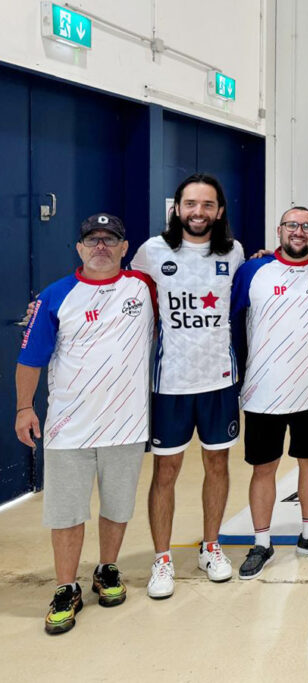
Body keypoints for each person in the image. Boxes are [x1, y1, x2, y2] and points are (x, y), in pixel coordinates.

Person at [15, 214, 155, 634]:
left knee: (117, 506)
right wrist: (25, 408)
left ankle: (107, 570)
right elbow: (30, 359)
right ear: (78, 247)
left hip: (127, 425)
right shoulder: (55, 296)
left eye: (109, 239)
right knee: (66, 512)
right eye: (92, 240)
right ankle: (65, 587)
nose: (100, 246)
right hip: (68, 428)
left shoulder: (144, 288)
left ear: (124, 247)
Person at [132, 174, 245, 598]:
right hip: (171, 383)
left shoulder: (233, 253)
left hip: (219, 380)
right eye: (191, 204)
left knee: (218, 465)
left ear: (219, 211)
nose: (199, 212)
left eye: (207, 205)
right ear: (177, 208)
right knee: (166, 470)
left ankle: (211, 545)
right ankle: (162, 558)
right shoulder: (151, 252)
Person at [230, 207, 308, 578]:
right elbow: (231, 323)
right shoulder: (252, 271)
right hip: (263, 392)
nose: (299, 231)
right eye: (292, 225)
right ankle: (261, 542)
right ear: (279, 230)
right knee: (265, 468)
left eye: (307, 226)